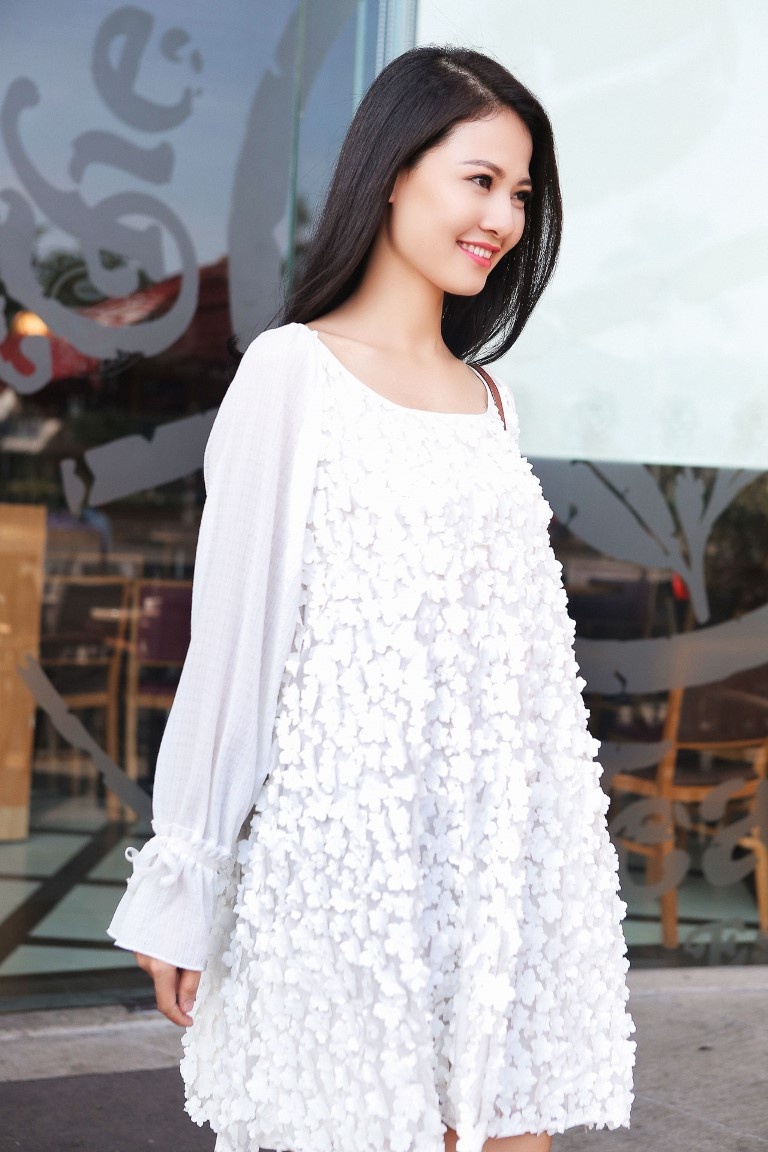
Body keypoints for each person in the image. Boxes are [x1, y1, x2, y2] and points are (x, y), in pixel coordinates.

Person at [108, 45, 636, 1152]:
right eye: (479, 180)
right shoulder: (293, 372)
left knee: (511, 1132)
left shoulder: (492, 401)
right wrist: (186, 878)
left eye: (521, 193)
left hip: (495, 861)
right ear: (395, 172)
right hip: (351, 868)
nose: (503, 218)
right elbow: (235, 649)